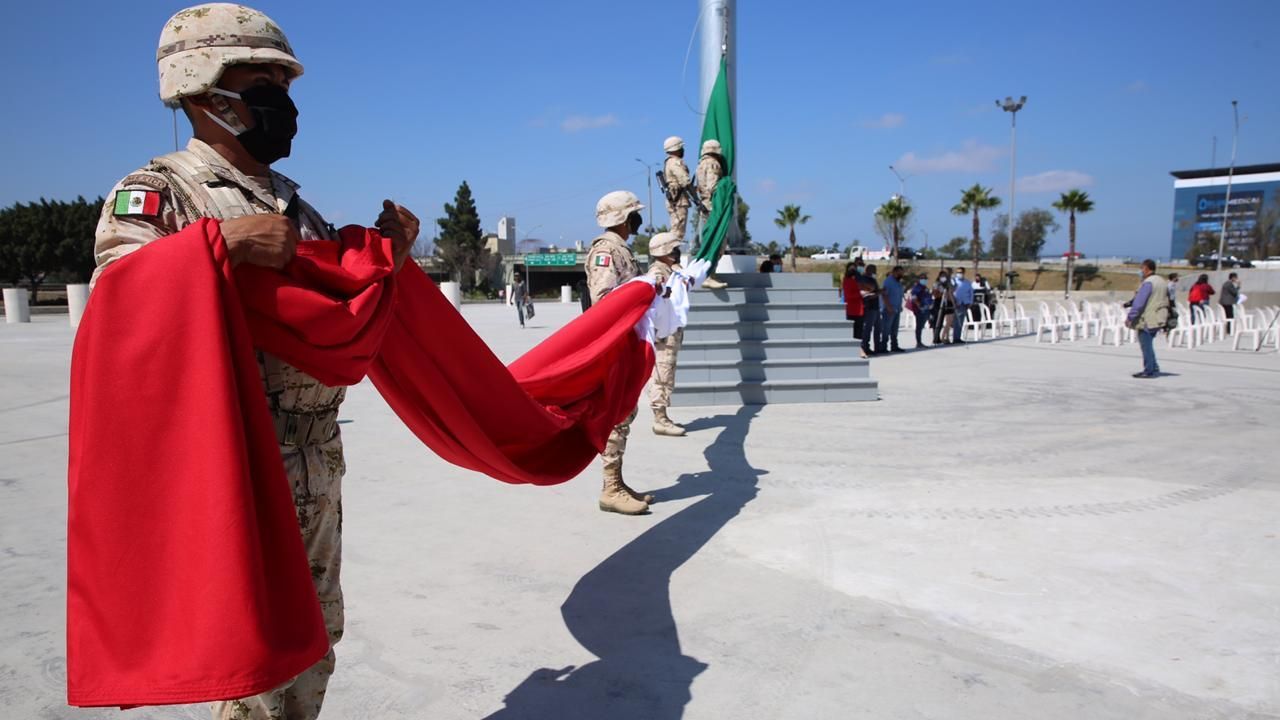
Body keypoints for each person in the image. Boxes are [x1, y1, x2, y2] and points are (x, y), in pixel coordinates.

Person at [91, 5, 420, 718]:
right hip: (238, 462)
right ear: (205, 91)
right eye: (262, 80)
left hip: (316, 460)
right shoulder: (160, 193)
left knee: (312, 643)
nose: (283, 99)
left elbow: (339, 310)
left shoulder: (292, 205)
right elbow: (119, 303)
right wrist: (220, 247)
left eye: (285, 83)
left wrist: (389, 255)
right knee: (256, 665)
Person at [584, 190, 653, 515]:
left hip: (626, 340)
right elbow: (605, 299)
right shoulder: (606, 251)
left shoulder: (622, 249)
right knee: (617, 413)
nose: (638, 219)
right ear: (625, 218)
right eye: (634, 213)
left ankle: (617, 480)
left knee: (625, 411)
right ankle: (610, 488)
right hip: (613, 344)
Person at [645, 232, 688, 437]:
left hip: (670, 333)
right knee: (662, 375)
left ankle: (662, 416)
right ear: (664, 251)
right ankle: (659, 419)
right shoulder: (657, 272)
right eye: (674, 249)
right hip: (663, 335)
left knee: (666, 374)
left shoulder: (670, 269)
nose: (677, 252)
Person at [1125, 259, 1170, 378]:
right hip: (1159, 316)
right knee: (1149, 343)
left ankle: (1149, 369)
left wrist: (1130, 317)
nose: (1141, 271)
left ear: (1146, 268)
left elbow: (1139, 303)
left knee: (1146, 345)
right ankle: (1154, 366)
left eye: (1141, 268)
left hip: (1148, 318)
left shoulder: (1148, 283)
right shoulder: (1162, 281)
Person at [693, 139, 728, 289]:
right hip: (713, 208)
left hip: (705, 206)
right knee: (717, 242)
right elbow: (714, 186)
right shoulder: (713, 164)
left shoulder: (701, 164)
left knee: (709, 240)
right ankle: (708, 275)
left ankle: (709, 274)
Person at [661, 136, 692, 244]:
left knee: (677, 229)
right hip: (678, 200)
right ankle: (671, 254)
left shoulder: (668, 162)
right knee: (678, 232)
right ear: (677, 148)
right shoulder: (675, 162)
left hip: (675, 199)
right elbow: (684, 180)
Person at [841, 262, 866, 357]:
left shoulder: (858, 280)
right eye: (852, 269)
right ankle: (856, 351)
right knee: (854, 332)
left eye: (855, 269)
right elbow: (848, 296)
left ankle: (859, 350)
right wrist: (860, 294)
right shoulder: (847, 280)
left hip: (859, 309)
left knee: (859, 332)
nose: (854, 271)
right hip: (852, 309)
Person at [858, 264, 883, 355]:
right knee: (867, 329)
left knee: (878, 328)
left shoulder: (873, 279)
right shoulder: (864, 279)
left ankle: (877, 347)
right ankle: (865, 347)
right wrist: (879, 293)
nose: (875, 272)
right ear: (868, 270)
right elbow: (866, 295)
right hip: (869, 307)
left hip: (876, 307)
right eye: (873, 270)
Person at [881, 265, 906, 353]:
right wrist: (889, 307)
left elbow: (899, 295)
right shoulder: (888, 282)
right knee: (886, 329)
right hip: (889, 310)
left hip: (897, 309)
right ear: (895, 272)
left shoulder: (898, 282)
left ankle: (894, 346)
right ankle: (883, 347)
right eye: (900, 273)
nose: (901, 275)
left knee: (894, 330)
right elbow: (884, 295)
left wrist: (900, 306)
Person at [908, 274, 934, 348]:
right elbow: (914, 298)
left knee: (922, 325)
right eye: (923, 278)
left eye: (925, 279)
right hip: (920, 309)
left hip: (926, 308)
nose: (925, 280)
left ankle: (920, 342)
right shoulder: (917, 287)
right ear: (919, 279)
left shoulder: (924, 287)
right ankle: (918, 342)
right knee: (919, 326)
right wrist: (920, 306)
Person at [952, 267, 974, 344]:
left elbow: (971, 293)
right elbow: (951, 292)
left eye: (961, 272)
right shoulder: (954, 281)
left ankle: (958, 337)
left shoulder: (967, 282)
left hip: (964, 304)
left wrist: (970, 302)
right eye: (958, 272)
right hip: (955, 304)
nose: (959, 274)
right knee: (955, 322)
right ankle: (954, 337)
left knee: (961, 321)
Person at [932, 270, 954, 344]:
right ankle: (936, 337)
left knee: (945, 321)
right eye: (942, 276)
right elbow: (935, 294)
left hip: (946, 303)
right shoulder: (936, 284)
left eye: (945, 276)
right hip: (938, 302)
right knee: (938, 321)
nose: (943, 278)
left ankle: (945, 337)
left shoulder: (947, 284)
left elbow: (950, 293)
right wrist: (942, 294)